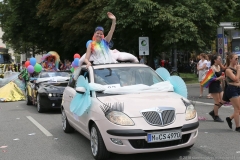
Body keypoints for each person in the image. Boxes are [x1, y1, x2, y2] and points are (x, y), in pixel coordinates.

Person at [224, 53, 240, 132]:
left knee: (239, 109)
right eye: (235, 59)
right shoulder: (228, 70)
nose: (237, 60)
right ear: (230, 59)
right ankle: (238, 127)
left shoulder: (237, 68)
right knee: (237, 109)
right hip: (232, 89)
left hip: (238, 88)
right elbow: (235, 79)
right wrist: (238, 70)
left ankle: (229, 118)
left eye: (238, 58)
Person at [208, 55, 225, 122]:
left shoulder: (219, 66)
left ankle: (213, 112)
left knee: (223, 100)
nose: (220, 60)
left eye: (220, 59)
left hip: (218, 84)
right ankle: (216, 116)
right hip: (213, 85)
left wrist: (222, 77)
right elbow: (210, 79)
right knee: (217, 102)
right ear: (215, 60)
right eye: (219, 59)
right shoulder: (212, 68)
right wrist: (219, 78)